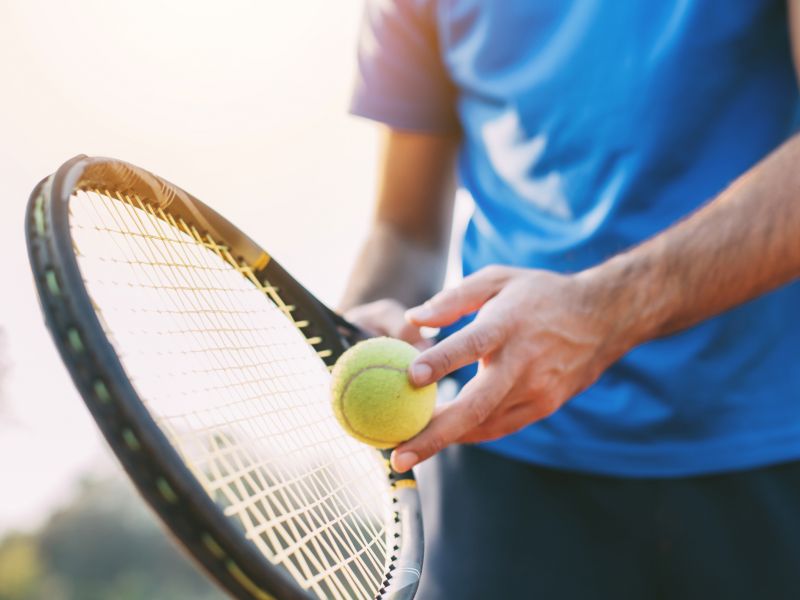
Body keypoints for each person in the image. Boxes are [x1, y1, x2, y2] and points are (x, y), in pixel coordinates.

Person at [340, 1, 800, 598]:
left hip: (766, 455)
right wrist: (377, 312)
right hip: (502, 469)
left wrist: (601, 309)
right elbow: (405, 227)